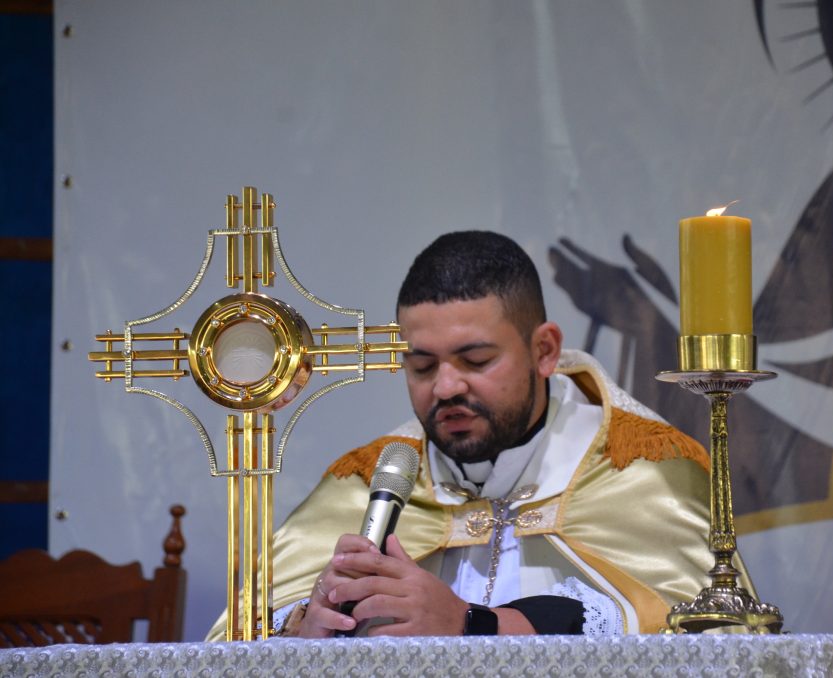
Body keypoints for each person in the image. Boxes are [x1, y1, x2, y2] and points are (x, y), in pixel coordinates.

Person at [207, 230, 756, 639]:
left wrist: (473, 625)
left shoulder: (638, 468)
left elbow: (716, 646)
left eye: (474, 360)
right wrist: (305, 628)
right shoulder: (367, 482)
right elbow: (230, 649)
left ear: (544, 350)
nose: (445, 387)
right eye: (421, 366)